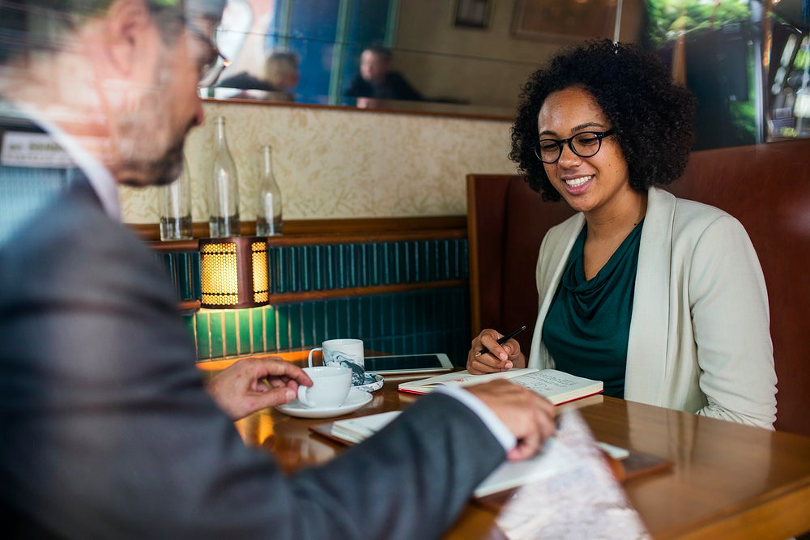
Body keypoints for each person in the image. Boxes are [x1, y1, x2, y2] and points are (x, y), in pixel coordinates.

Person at [0, 1, 557, 538]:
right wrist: (467, 418)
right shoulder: (69, 251)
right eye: (198, 65)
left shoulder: (28, 208)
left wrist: (195, 409)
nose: (199, 109)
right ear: (127, 38)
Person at [466, 40, 777, 429]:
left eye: (587, 138)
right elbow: (574, 382)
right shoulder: (556, 244)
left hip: (658, 474)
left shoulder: (710, 240)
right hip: (564, 457)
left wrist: (628, 461)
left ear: (632, 135)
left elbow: (745, 418)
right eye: (550, 145)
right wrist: (512, 368)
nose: (565, 159)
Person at [344, 45, 422, 101]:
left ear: (386, 65)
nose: (368, 68)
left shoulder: (396, 80)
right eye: (364, 63)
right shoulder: (357, 84)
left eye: (374, 64)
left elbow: (416, 100)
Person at [216, 49, 300, 100]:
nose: (297, 74)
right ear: (281, 71)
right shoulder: (248, 87)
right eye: (294, 68)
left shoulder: (281, 95)